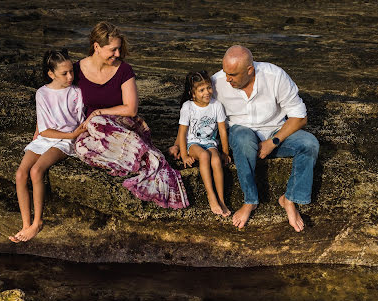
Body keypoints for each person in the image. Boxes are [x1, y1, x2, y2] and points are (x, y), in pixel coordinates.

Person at [171, 45, 319, 231]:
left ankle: (289, 199)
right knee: (242, 138)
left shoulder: (275, 76)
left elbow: (300, 116)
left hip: (275, 133)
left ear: (250, 70)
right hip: (241, 135)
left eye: (232, 75)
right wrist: (179, 144)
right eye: (225, 72)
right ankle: (250, 201)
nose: (227, 79)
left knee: (309, 143)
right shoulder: (217, 83)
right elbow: (194, 111)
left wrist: (273, 143)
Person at [74, 21, 188, 209]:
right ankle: (136, 161)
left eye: (119, 49)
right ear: (96, 47)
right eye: (113, 50)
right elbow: (56, 97)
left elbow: (131, 109)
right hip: (96, 132)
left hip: (123, 125)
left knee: (96, 121)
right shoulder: (77, 70)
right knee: (80, 147)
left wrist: (100, 113)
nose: (118, 54)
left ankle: (149, 157)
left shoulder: (124, 70)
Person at [10, 49, 86, 242]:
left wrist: (74, 135)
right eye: (64, 73)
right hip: (47, 137)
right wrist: (40, 134)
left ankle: (37, 222)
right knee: (20, 174)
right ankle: (26, 224)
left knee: (36, 171)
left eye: (72, 72)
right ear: (51, 74)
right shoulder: (42, 93)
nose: (70, 76)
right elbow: (43, 129)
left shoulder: (76, 92)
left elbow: (79, 122)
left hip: (66, 139)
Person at [177, 71, 231, 216]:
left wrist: (225, 152)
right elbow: (182, 133)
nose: (207, 92)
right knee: (205, 156)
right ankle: (211, 196)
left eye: (208, 88)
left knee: (215, 159)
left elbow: (222, 131)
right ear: (192, 93)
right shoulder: (188, 107)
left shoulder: (216, 105)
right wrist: (184, 155)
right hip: (193, 144)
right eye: (201, 90)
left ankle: (221, 199)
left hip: (210, 143)